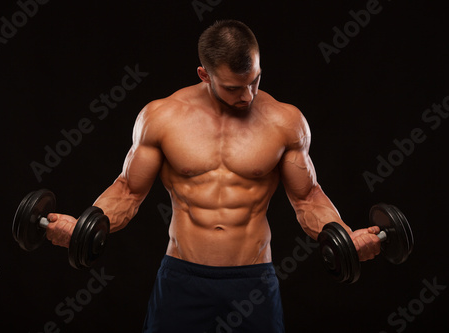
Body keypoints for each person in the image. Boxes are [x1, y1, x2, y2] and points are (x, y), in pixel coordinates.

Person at [45, 20, 381, 332]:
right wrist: (87, 226)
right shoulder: (162, 117)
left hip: (254, 281)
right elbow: (128, 191)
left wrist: (341, 237)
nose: (247, 95)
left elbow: (308, 197)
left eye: (255, 80)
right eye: (234, 87)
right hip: (182, 278)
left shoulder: (285, 121)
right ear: (204, 75)